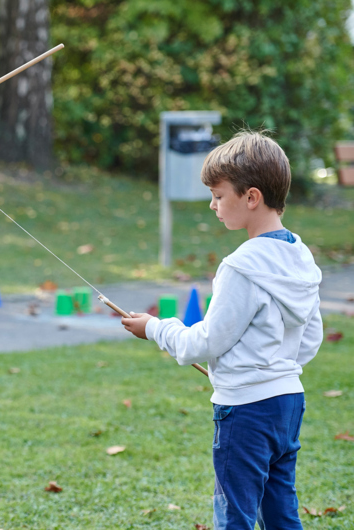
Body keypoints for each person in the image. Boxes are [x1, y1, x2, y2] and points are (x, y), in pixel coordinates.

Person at [121, 132, 323, 529]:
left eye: (217, 195)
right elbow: (310, 338)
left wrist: (155, 328)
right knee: (281, 509)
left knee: (235, 513)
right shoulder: (300, 255)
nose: (213, 205)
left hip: (246, 412)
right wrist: (266, 368)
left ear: (251, 197)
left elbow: (206, 341)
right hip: (288, 402)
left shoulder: (240, 266)